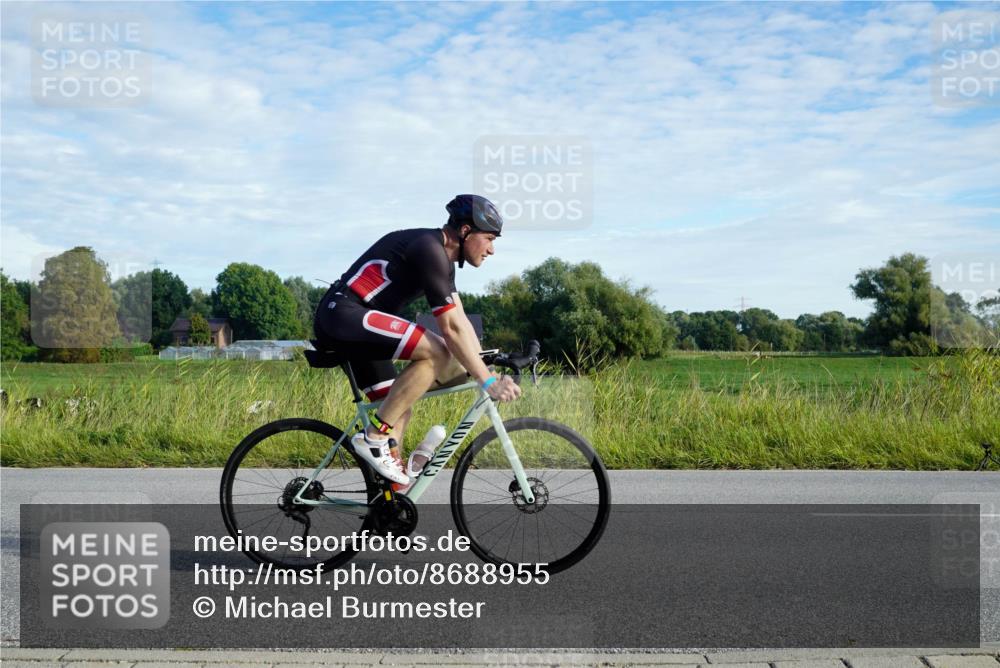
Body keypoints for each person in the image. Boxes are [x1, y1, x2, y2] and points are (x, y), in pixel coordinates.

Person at [313, 194, 522, 486]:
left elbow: (461, 322)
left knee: (398, 406)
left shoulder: (443, 263)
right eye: (489, 238)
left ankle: (388, 503)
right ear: (465, 232)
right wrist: (486, 380)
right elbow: (449, 329)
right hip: (343, 315)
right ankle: (373, 437)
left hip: (360, 327)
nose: (492, 250)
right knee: (437, 353)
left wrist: (488, 367)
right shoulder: (429, 248)